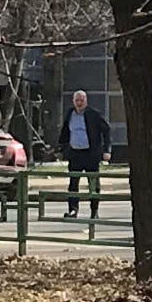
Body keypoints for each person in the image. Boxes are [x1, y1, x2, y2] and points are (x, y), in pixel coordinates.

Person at [58, 89, 108, 218]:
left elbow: (106, 131)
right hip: (75, 154)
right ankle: (73, 210)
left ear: (86, 101)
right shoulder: (70, 114)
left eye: (82, 100)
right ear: (73, 101)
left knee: (93, 184)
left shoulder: (93, 114)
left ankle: (94, 211)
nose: (79, 103)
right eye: (77, 100)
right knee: (73, 183)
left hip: (91, 154)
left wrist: (106, 150)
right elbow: (65, 132)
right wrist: (61, 148)